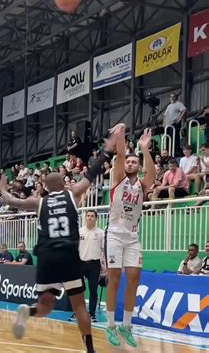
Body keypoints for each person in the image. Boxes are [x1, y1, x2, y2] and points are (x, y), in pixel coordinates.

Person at [0, 129, 117, 353]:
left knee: (46, 305)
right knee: (80, 306)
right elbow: (91, 173)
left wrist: (3, 187)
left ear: (45, 187)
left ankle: (29, 311)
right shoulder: (73, 194)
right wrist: (106, 153)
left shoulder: (37, 202)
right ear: (64, 184)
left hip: (46, 257)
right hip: (69, 255)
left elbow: (12, 200)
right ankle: (90, 350)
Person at [104, 125, 156, 348]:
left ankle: (126, 325)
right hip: (115, 234)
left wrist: (145, 149)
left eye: (135, 162)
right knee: (114, 277)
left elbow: (152, 175)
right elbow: (121, 154)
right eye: (129, 161)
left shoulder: (142, 186)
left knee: (134, 277)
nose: (131, 163)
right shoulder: (118, 178)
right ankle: (110, 325)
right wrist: (121, 134)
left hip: (133, 236)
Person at [69, 210, 103, 323]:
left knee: (93, 289)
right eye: (88, 216)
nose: (90, 218)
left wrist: (104, 266)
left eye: (92, 216)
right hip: (80, 264)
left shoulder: (101, 233)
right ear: (85, 218)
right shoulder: (80, 232)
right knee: (78, 290)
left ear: (96, 218)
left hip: (94, 264)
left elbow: (104, 250)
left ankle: (92, 313)